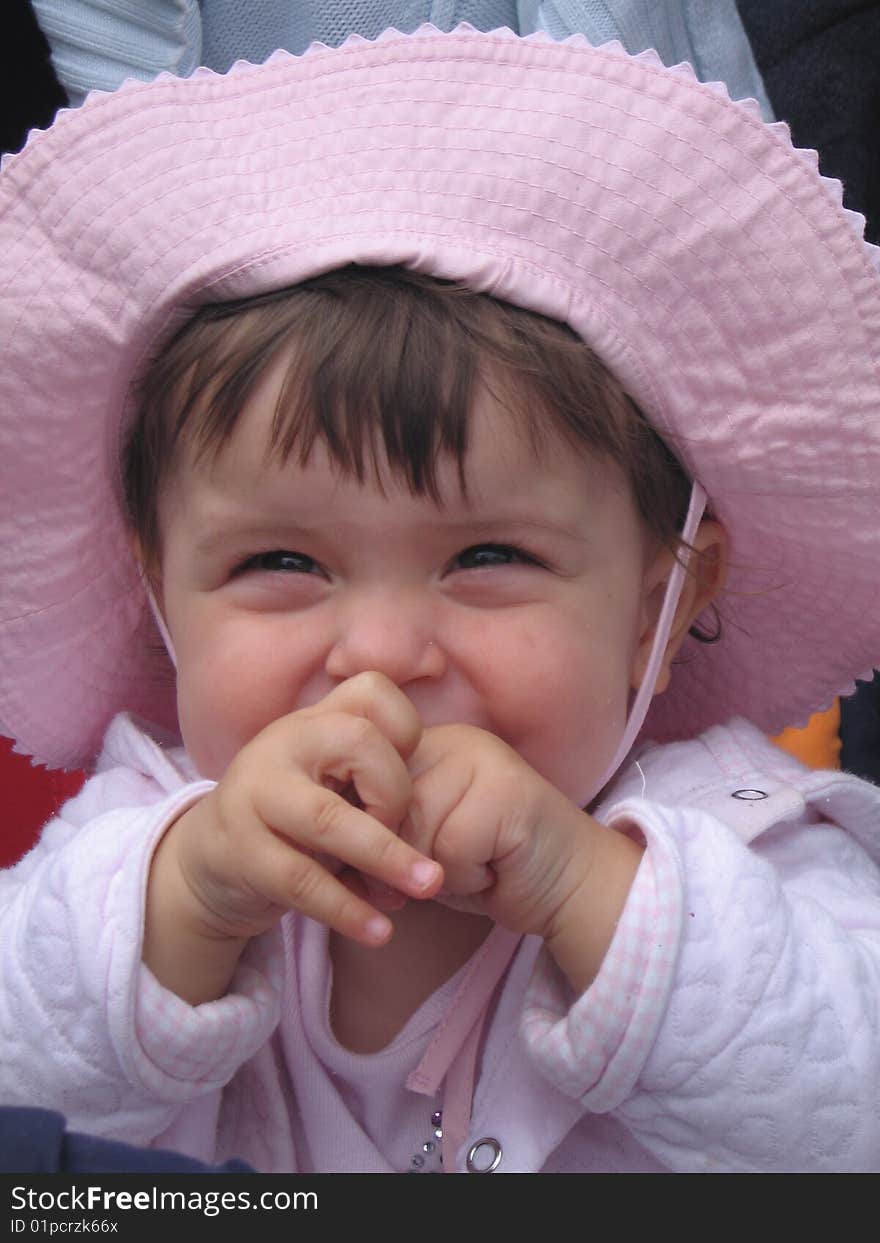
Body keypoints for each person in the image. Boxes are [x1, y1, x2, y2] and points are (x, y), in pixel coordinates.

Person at [1, 26, 879, 1174]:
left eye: (485, 557)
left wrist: (581, 885)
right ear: (158, 591)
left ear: (659, 604)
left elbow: (845, 1122)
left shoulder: (748, 839)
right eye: (279, 563)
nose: (379, 651)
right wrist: (182, 904)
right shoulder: (138, 834)